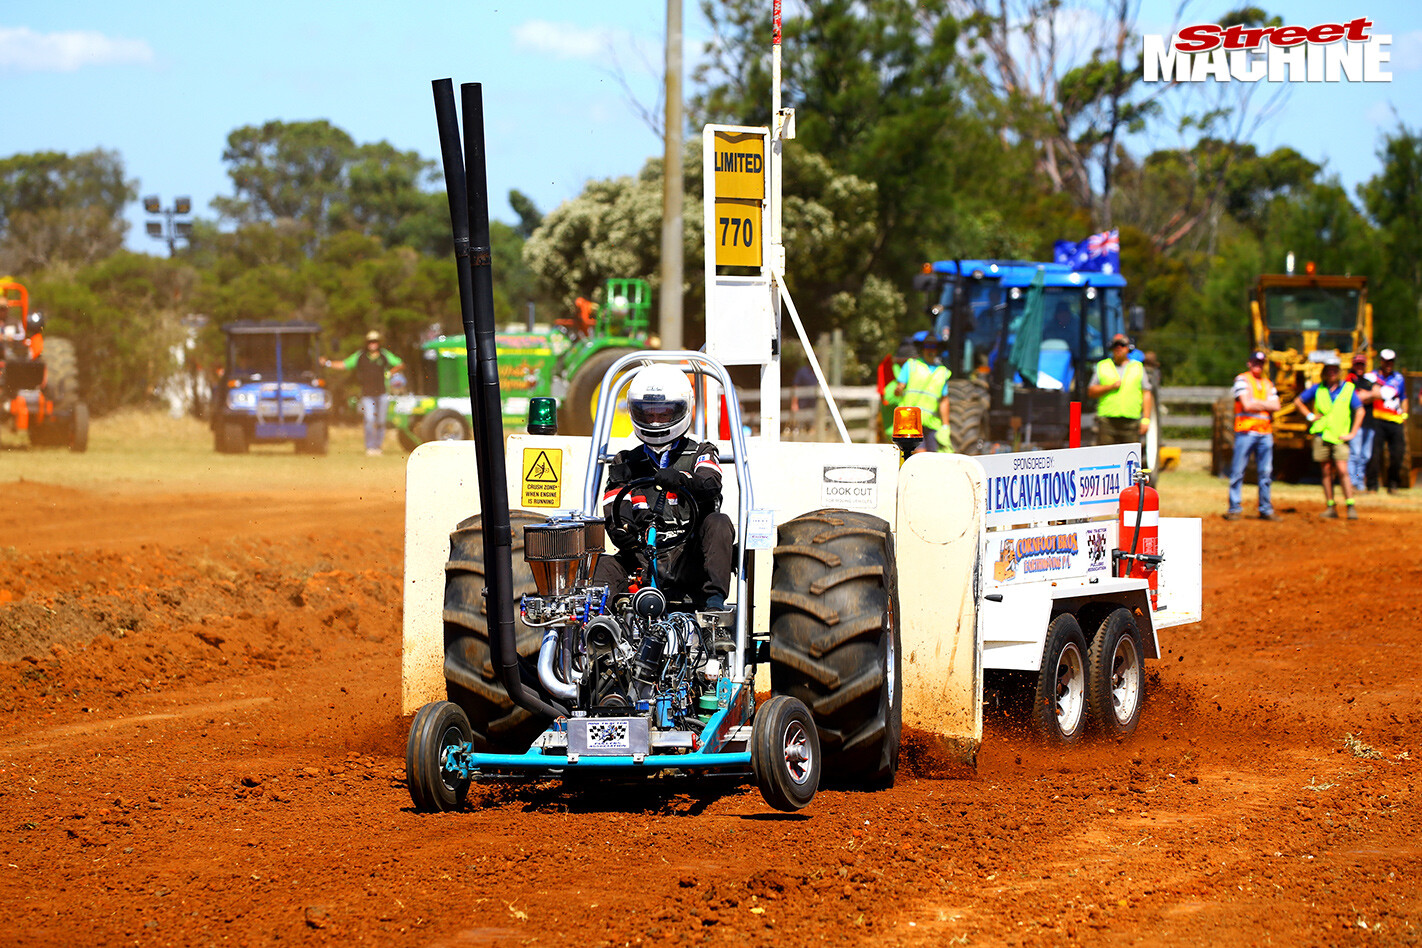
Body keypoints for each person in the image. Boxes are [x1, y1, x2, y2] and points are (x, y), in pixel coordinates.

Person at [592, 364, 735, 612]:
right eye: (648, 414)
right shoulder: (625, 461)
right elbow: (614, 506)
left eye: (664, 413)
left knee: (719, 522)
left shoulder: (702, 452)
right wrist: (622, 529)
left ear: (681, 410)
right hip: (642, 557)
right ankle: (603, 629)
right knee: (599, 564)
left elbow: (710, 484)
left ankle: (714, 609)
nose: (655, 420)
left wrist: (681, 480)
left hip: (690, 558)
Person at [1293, 354, 1364, 519]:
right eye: (1329, 370)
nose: (1332, 373)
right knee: (1325, 471)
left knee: (1342, 470)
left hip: (1339, 436)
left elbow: (1360, 410)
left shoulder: (1348, 389)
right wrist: (1310, 416)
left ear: (1339, 372)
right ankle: (1330, 506)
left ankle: (1350, 505)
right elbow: (1298, 401)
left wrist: (1352, 433)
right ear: (1325, 372)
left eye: (1335, 370)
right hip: (1321, 434)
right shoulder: (1318, 388)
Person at [325, 330, 403, 457]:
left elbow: (400, 364)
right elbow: (344, 364)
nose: (373, 344)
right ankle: (370, 447)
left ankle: (378, 447)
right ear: (367, 343)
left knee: (381, 421)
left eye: (375, 341)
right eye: (370, 341)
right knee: (369, 419)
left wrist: (390, 373)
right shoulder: (360, 356)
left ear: (378, 343)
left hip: (382, 393)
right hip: (367, 394)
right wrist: (327, 363)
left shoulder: (384, 355)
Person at [1224, 351, 1281, 521]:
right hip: (1245, 432)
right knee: (1238, 471)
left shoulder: (1268, 383)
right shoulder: (1242, 380)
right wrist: (1265, 405)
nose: (1258, 365)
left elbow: (1277, 405)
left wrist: (1257, 403)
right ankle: (1234, 508)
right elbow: (1246, 405)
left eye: (1261, 362)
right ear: (1249, 363)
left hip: (1265, 433)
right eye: (1256, 361)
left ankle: (1265, 509)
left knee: (1265, 473)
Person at [1088, 333, 1153, 446]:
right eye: (1115, 345)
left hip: (1131, 421)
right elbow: (1091, 391)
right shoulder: (1102, 366)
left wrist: (1146, 419)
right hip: (1107, 421)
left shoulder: (1138, 367)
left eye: (1122, 345)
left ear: (1129, 348)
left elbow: (1146, 393)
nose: (1119, 348)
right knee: (1106, 457)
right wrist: (1110, 387)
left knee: (1130, 458)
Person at [893, 333, 952, 452]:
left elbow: (943, 400)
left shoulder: (942, 372)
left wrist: (946, 425)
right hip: (910, 422)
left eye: (933, 347)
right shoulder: (911, 365)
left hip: (931, 423)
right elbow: (899, 389)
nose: (930, 351)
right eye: (928, 347)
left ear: (938, 350)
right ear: (922, 349)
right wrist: (899, 390)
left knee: (932, 458)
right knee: (919, 455)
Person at [1367, 348, 1408, 494]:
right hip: (1377, 419)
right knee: (1374, 454)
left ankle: (1393, 484)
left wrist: (1404, 415)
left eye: (1391, 361)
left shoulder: (1399, 378)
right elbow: (1367, 394)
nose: (1389, 364)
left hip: (1395, 420)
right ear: (1381, 361)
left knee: (1398, 454)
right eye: (1386, 361)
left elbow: (1403, 398)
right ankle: (1372, 485)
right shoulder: (1372, 376)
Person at [1344, 353, 1378, 490]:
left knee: (1365, 455)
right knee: (1355, 453)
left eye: (1362, 364)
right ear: (1353, 365)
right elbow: (1356, 397)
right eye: (1357, 364)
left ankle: (1359, 480)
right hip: (1355, 423)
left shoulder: (1368, 380)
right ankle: (1352, 481)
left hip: (1369, 423)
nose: (1359, 367)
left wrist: (1367, 395)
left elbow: (1379, 393)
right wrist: (1368, 395)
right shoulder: (1349, 380)